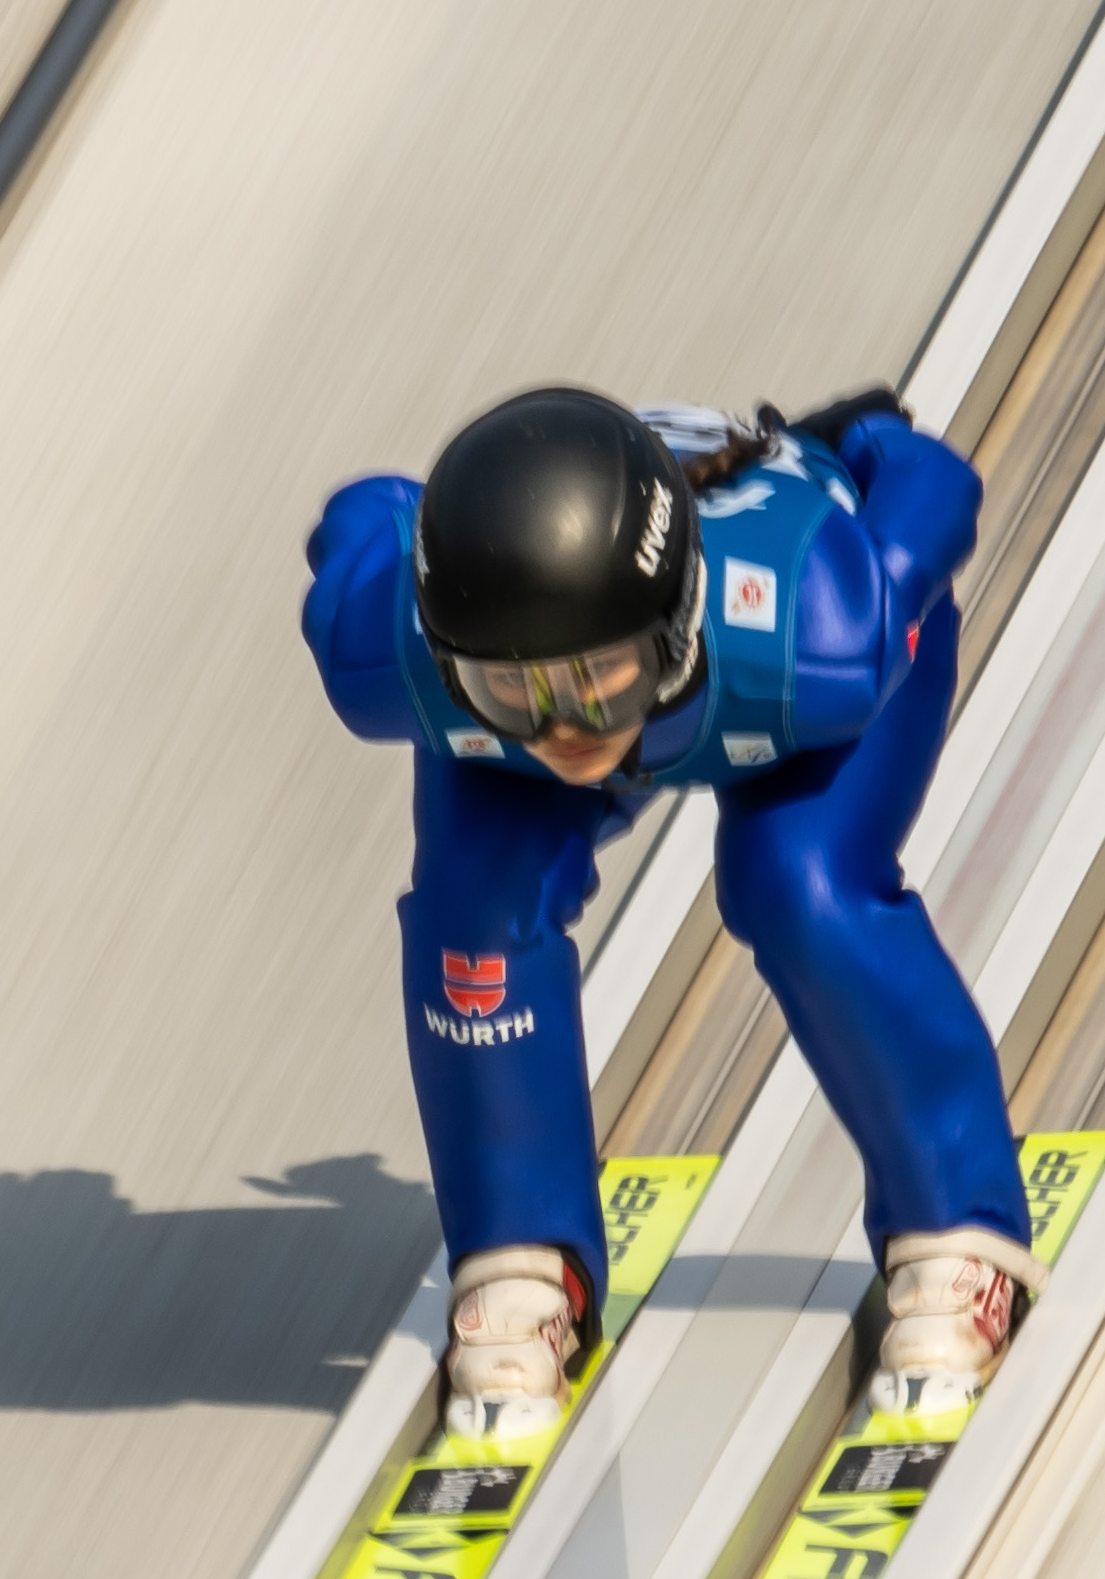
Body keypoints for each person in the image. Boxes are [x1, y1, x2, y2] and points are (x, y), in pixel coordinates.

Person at [298, 380, 1038, 1452]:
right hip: (671, 673)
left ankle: (960, 1224)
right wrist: (527, 658)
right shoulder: (391, 641)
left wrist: (866, 437)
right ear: (446, 643)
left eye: (601, 675)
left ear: (681, 616)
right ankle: (518, 1252)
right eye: (516, 690)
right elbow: (368, 521)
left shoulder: (824, 629)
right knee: (474, 913)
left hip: (767, 698)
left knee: (799, 880)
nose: (566, 728)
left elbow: (934, 485)